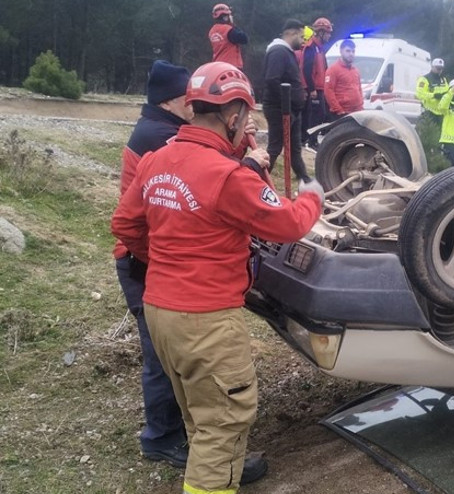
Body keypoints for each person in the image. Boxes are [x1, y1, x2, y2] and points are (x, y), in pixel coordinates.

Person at [111, 61, 324, 494]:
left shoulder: (157, 160)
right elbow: (286, 224)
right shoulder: (226, 176)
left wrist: (167, 262)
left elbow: (126, 225)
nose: (246, 125)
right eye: (245, 117)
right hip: (206, 320)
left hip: (159, 312)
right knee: (224, 419)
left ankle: (215, 466)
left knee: (199, 411)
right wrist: (312, 198)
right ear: (233, 116)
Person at [114, 60, 192, 469]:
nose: (196, 105)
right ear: (174, 100)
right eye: (191, 99)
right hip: (141, 261)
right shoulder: (161, 137)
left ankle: (172, 427)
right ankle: (161, 437)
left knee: (168, 350)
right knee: (161, 354)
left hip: (144, 257)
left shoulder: (157, 127)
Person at [262, 18, 311, 182]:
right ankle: (259, 179)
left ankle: (304, 179)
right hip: (280, 109)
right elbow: (272, 79)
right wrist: (286, 105)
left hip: (292, 109)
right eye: (302, 36)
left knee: (295, 148)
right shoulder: (278, 52)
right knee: (275, 147)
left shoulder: (287, 52)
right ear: (292, 33)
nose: (303, 41)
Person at [300, 17, 333, 148]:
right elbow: (306, 69)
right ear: (320, 32)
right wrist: (311, 88)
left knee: (320, 114)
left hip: (320, 87)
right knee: (316, 115)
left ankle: (309, 139)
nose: (329, 36)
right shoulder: (311, 47)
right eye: (328, 33)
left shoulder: (320, 48)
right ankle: (310, 140)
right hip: (313, 88)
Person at [324, 39, 364, 118]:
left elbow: (359, 89)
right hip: (341, 114)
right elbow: (328, 91)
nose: (351, 54)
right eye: (348, 51)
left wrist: (361, 106)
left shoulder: (355, 70)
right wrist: (338, 110)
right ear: (341, 51)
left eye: (353, 51)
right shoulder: (333, 70)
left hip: (357, 113)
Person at [209, 4, 248, 70]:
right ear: (225, 17)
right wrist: (233, 24)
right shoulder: (228, 30)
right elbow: (244, 39)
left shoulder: (212, 31)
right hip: (231, 66)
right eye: (228, 15)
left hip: (217, 65)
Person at [416, 58, 448, 124]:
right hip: (430, 113)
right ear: (432, 67)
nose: (440, 70)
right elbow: (419, 94)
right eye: (438, 68)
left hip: (442, 113)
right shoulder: (424, 79)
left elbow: (448, 92)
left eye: (441, 68)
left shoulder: (443, 80)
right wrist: (434, 95)